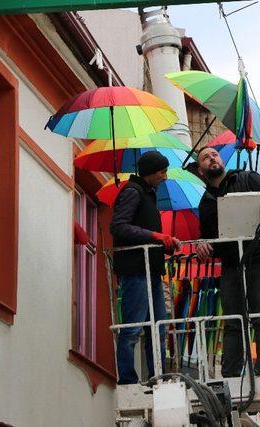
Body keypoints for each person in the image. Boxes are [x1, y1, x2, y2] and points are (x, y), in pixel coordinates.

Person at [194, 146, 260, 378]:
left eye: (214, 154)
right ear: (201, 170)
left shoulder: (247, 178)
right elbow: (210, 238)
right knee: (233, 320)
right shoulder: (205, 203)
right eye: (205, 157)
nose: (212, 158)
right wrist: (202, 245)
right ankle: (231, 375)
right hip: (232, 264)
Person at [110, 151, 181, 384]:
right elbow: (118, 227)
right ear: (150, 172)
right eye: (162, 171)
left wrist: (165, 243)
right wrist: (156, 235)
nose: (165, 176)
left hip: (149, 269)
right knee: (132, 329)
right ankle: (129, 380)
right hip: (136, 270)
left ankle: (157, 376)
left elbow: (141, 233)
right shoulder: (133, 191)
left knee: (158, 328)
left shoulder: (146, 194)